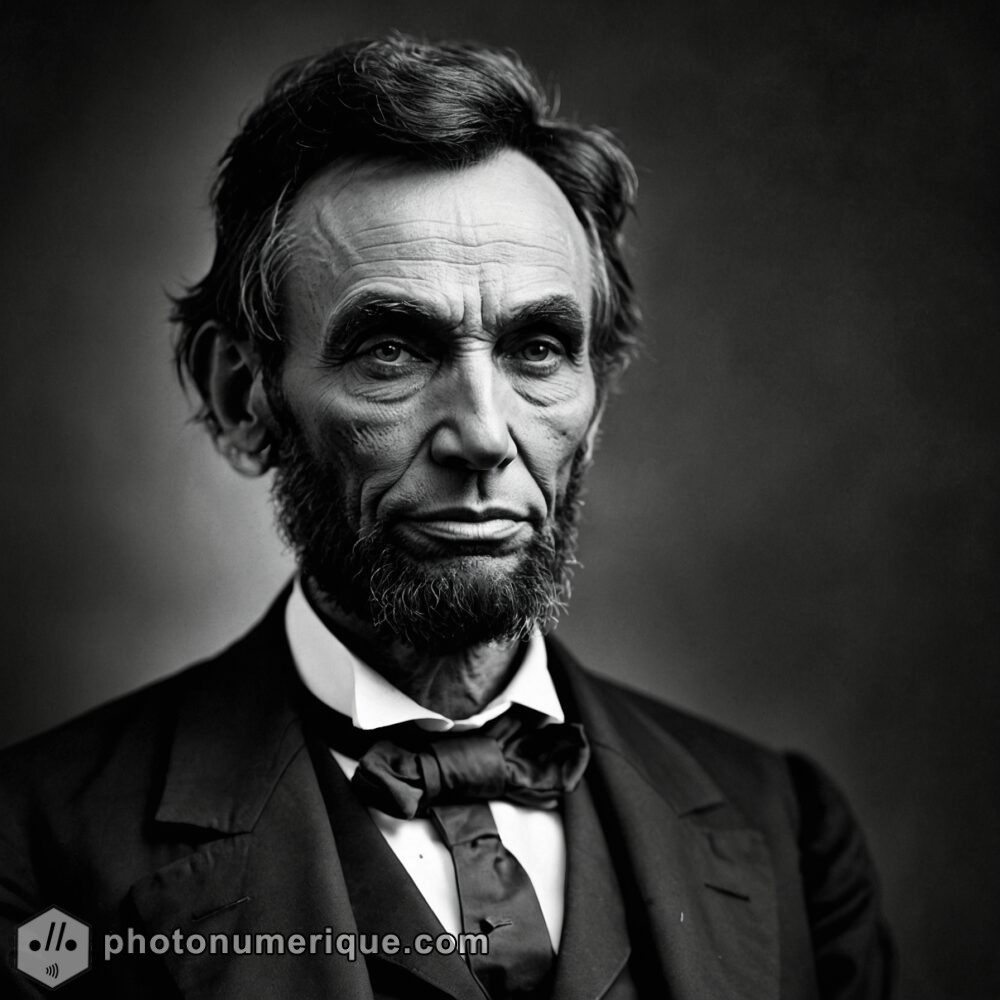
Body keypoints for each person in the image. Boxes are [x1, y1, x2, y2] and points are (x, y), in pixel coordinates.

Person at [0, 34, 893, 999]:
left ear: (596, 392)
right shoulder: (34, 848)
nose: (483, 435)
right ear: (241, 396)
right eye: (391, 350)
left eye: (540, 347)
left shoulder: (789, 834)